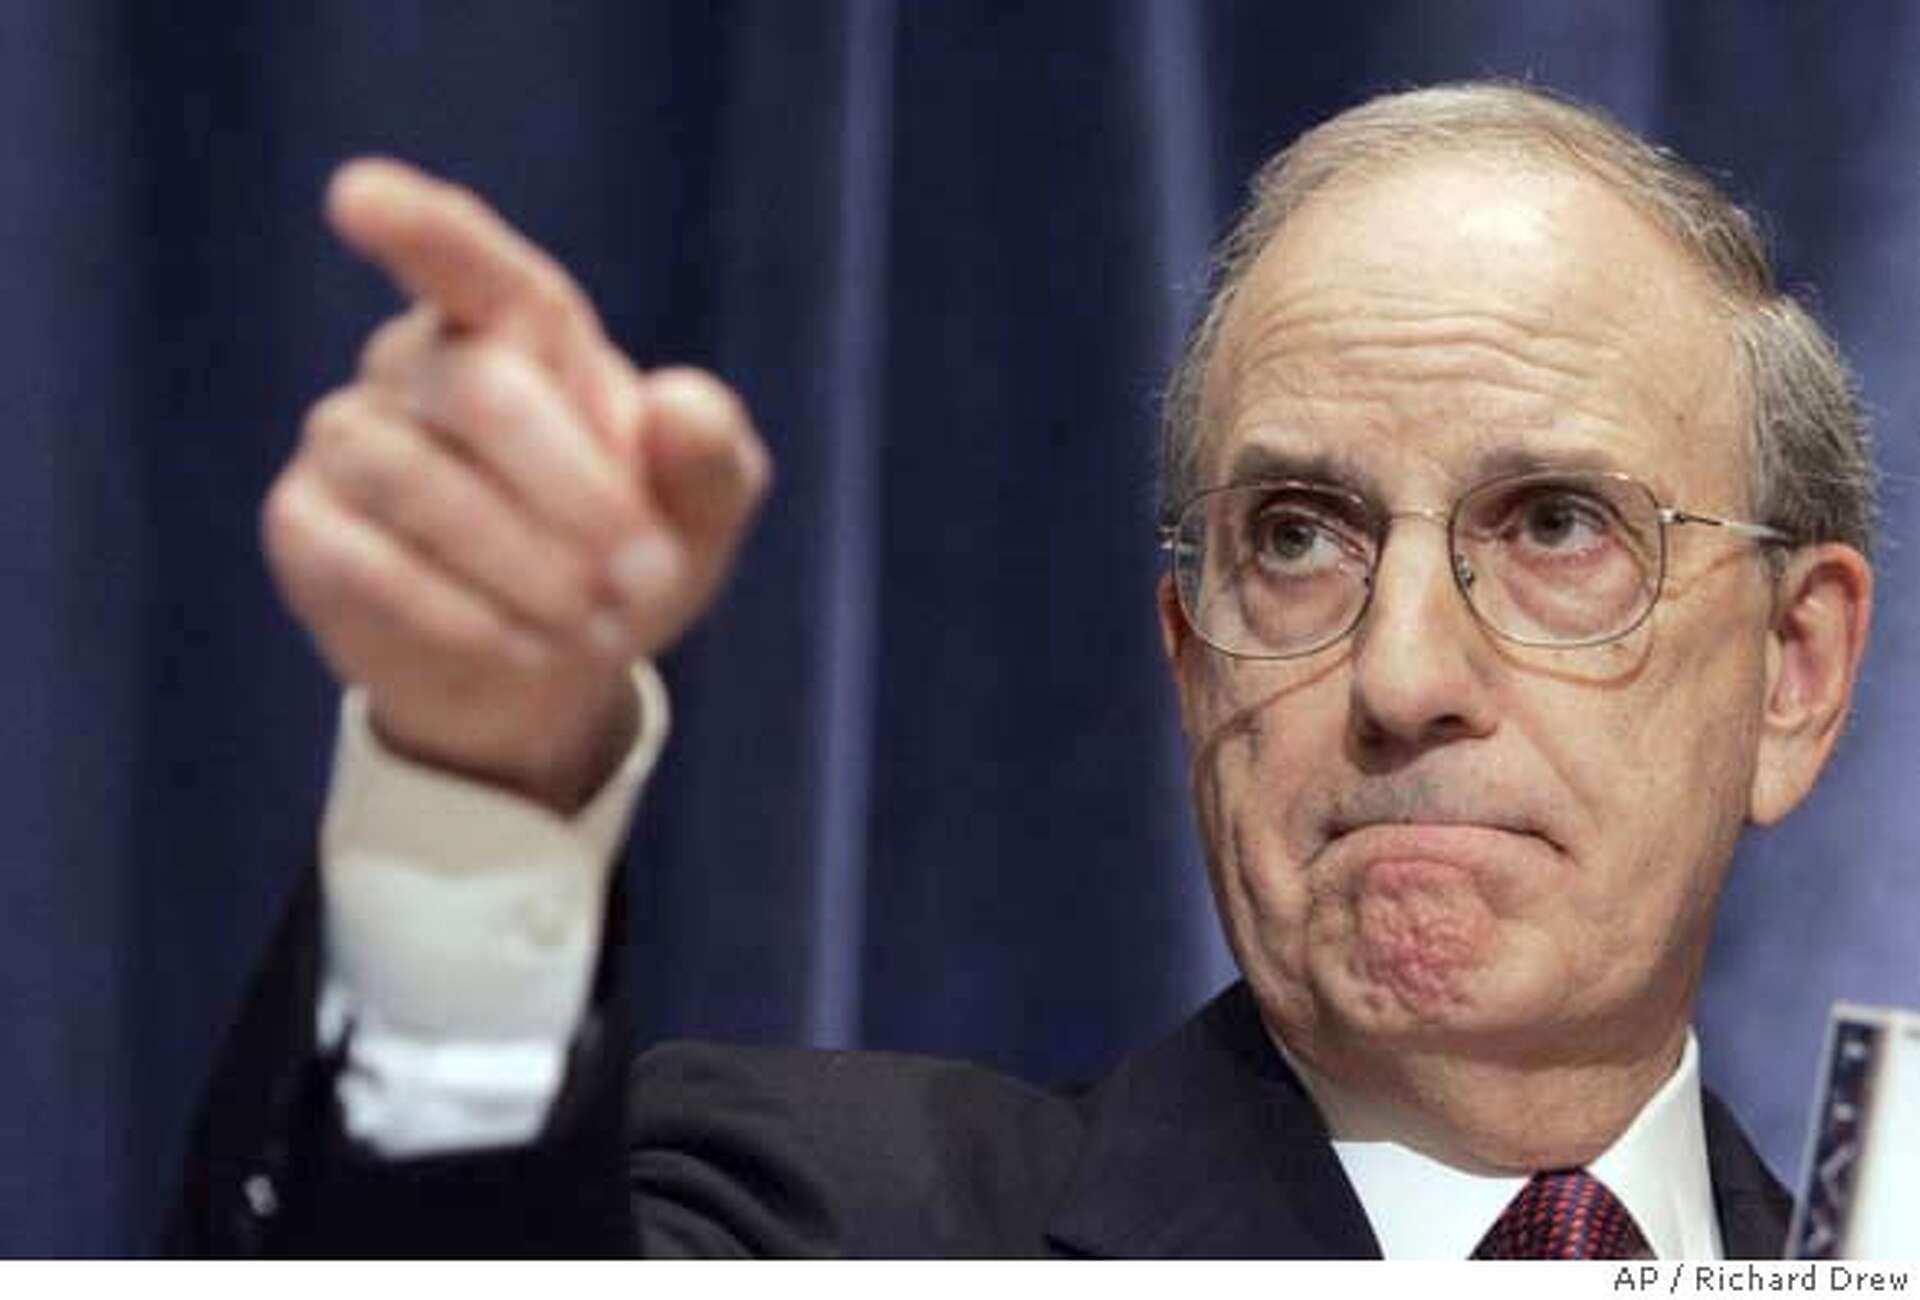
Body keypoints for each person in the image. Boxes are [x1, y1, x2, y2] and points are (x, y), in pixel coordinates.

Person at [170, 81, 1877, 1258]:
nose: (1403, 671)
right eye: (1296, 538)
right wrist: (476, 789)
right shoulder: (836, 1223)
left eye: (1558, 524)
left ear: (1793, 673)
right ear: (1192, 666)